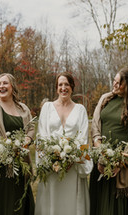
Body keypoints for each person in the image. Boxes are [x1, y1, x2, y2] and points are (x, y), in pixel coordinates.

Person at [89, 67, 128, 215]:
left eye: (118, 83)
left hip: (122, 164)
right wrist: (100, 149)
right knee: (99, 203)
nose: (114, 85)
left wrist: (119, 162)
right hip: (101, 161)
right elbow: (95, 125)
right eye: (114, 81)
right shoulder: (106, 98)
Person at [35, 72, 93, 215]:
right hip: (52, 167)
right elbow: (42, 135)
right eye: (60, 85)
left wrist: (72, 159)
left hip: (73, 166)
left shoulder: (80, 110)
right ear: (56, 88)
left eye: (66, 84)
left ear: (72, 87)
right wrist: (52, 158)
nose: (63, 88)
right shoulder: (47, 107)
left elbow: (83, 138)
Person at [0, 73, 35, 215]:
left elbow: (31, 127)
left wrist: (27, 139)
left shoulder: (23, 108)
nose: (1, 86)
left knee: (16, 201)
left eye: (5, 83)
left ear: (12, 86)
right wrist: (10, 148)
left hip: (19, 163)